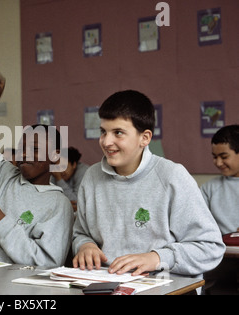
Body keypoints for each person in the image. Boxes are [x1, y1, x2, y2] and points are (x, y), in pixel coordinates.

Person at [72, 90, 225, 278]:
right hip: (105, 281)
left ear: (144, 138)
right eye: (103, 131)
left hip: (162, 283)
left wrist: (157, 258)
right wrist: (85, 245)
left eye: (118, 133)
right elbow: (80, 233)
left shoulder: (172, 176)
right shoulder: (91, 176)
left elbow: (210, 247)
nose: (106, 141)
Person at [0, 69, 74, 267]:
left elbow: (46, 262)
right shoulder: (1, 173)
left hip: (8, 284)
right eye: (20, 148)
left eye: (34, 149)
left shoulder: (58, 204)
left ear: (54, 156)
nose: (24, 154)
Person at [200, 125, 239, 235]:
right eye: (215, 157)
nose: (218, 163)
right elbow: (198, 225)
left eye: (224, 157)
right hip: (222, 250)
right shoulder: (209, 188)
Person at [51, 147, 89, 211]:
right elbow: (50, 198)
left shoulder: (84, 172)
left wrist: (59, 179)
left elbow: (75, 201)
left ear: (74, 164)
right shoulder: (55, 172)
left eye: (64, 166)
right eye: (58, 167)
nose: (61, 171)